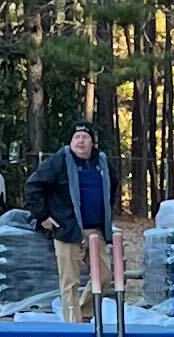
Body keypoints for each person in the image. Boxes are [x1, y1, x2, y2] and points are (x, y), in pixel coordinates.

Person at [25, 121, 117, 320]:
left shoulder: (102, 163)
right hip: (67, 230)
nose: (80, 141)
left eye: (85, 137)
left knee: (104, 276)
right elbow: (33, 186)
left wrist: (106, 218)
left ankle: (84, 313)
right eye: (76, 137)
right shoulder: (59, 161)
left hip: (95, 230)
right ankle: (72, 327)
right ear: (70, 141)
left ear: (93, 142)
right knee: (70, 282)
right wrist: (43, 216)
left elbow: (112, 188)